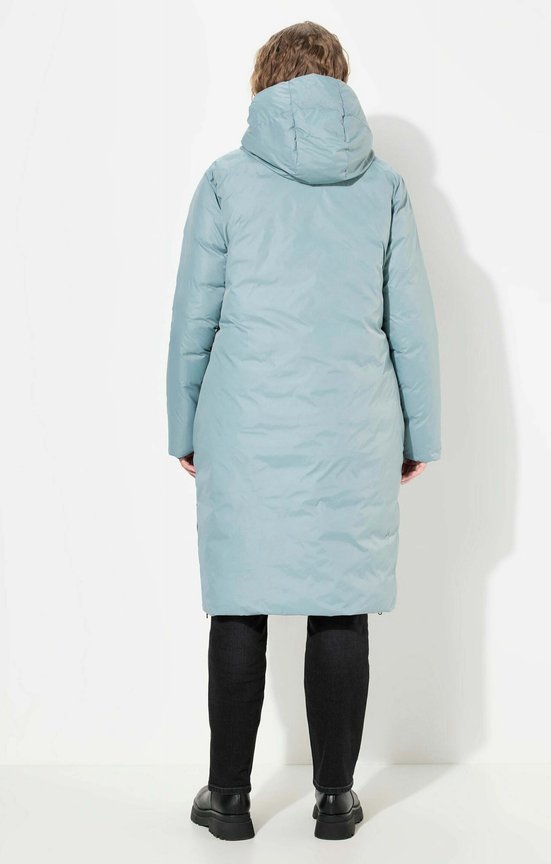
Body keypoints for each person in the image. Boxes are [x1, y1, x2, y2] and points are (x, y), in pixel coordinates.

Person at [166, 21, 442, 842]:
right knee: (340, 604)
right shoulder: (383, 187)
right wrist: (418, 436)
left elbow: (194, 320)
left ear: (264, 83)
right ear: (338, 83)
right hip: (353, 428)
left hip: (244, 428)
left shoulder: (226, 182)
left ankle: (228, 800)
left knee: (240, 605)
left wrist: (185, 426)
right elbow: (411, 325)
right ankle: (335, 801)